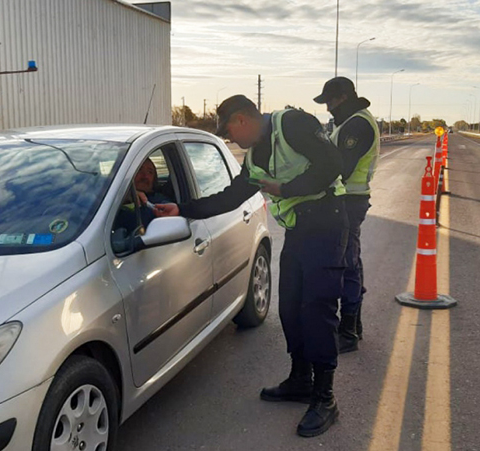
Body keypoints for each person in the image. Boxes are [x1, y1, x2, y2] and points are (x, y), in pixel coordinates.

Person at [154, 95, 348, 437]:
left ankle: (325, 397)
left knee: (317, 310)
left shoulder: (293, 125)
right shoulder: (256, 154)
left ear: (243, 119)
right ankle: (301, 379)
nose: (230, 139)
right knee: (290, 307)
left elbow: (333, 163)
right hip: (300, 231)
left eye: (229, 130)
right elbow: (233, 195)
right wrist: (182, 209)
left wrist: (286, 188)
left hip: (328, 223)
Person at [313, 77, 380, 353]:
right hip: (347, 200)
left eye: (329, 101)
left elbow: (341, 167)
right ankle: (355, 325)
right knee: (350, 260)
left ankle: (349, 331)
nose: (327, 107)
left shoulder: (357, 124)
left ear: (343, 97)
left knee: (348, 264)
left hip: (349, 202)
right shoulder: (347, 121)